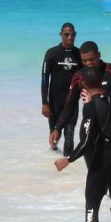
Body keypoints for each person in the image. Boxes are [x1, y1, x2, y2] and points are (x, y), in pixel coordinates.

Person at [54, 66, 111, 222]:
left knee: (91, 206)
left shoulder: (91, 106)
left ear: (84, 85)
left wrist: (68, 159)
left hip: (103, 159)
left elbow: (87, 140)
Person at [49, 41, 111, 155]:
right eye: (84, 61)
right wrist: (57, 128)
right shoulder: (79, 77)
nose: (88, 63)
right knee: (93, 166)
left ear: (99, 55)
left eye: (92, 59)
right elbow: (70, 104)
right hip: (91, 128)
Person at [41, 22, 83, 155]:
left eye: (72, 34)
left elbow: (86, 79)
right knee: (54, 139)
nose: (70, 37)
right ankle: (52, 164)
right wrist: (44, 103)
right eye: (66, 34)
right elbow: (44, 79)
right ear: (61, 35)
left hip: (71, 103)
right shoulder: (51, 53)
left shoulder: (79, 54)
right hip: (54, 102)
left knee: (69, 136)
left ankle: (68, 168)